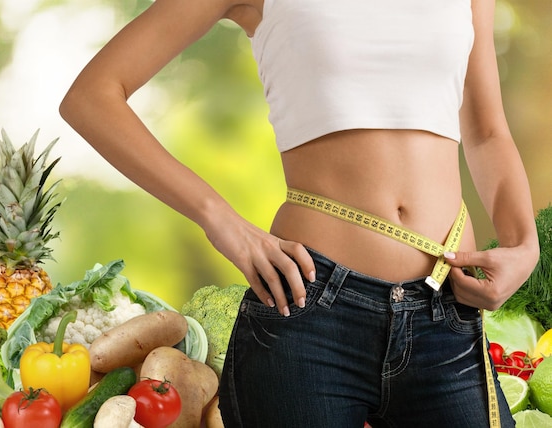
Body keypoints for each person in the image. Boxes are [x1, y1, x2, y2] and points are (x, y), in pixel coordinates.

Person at [59, 0, 540, 426]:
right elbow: (92, 96)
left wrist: (524, 246)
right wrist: (220, 220)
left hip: (445, 310)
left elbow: (485, 130)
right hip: (310, 308)